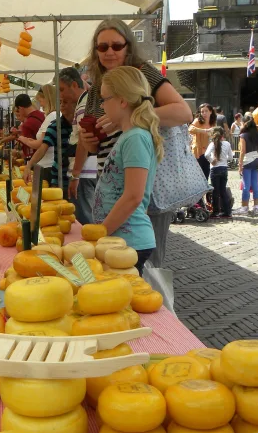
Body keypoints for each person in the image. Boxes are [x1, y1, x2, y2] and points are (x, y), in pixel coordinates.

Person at [72, 18, 192, 268]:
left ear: (128, 46)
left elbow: (183, 112)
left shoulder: (141, 73)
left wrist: (132, 116)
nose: (109, 52)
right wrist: (89, 140)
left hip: (144, 188)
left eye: (116, 45)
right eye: (102, 47)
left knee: (147, 269)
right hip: (112, 180)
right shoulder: (97, 88)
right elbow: (100, 146)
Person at [92, 66, 164, 276]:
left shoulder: (135, 138)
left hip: (128, 242)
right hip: (120, 240)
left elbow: (133, 196)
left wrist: (102, 232)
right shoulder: (128, 136)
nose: (102, 105)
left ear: (122, 100)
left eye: (105, 99)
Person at [59, 66, 96, 225]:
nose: (60, 95)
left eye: (62, 89)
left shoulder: (83, 106)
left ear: (74, 85)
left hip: (84, 172)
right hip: (87, 171)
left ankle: (89, 249)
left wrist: (75, 175)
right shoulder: (85, 102)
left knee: (85, 220)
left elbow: (83, 141)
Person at [23, 90, 76, 198]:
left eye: (65, 102)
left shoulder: (79, 125)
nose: (62, 106)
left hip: (77, 177)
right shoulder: (56, 125)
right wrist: (29, 166)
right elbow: (43, 148)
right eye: (60, 102)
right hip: (59, 178)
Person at [17, 84, 57, 181]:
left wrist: (24, 140)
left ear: (47, 98)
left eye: (41, 101)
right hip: (47, 164)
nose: (41, 105)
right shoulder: (51, 115)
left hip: (47, 166)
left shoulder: (52, 116)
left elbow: (42, 144)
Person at [235, 116, 258, 215]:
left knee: (246, 185)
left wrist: (240, 164)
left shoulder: (243, 135)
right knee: (255, 184)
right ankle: (256, 207)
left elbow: (243, 151)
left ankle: (244, 207)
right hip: (256, 159)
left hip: (247, 160)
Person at [205, 127, 233, 218]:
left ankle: (215, 211)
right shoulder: (227, 144)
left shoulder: (212, 144)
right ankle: (227, 211)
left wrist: (212, 160)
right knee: (223, 190)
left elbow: (206, 154)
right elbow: (231, 157)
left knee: (215, 192)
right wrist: (224, 159)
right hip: (224, 168)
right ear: (222, 134)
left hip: (215, 168)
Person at [189, 103, 217, 183]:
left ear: (210, 112)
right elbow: (190, 129)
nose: (204, 113)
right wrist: (204, 131)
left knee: (206, 174)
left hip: (208, 152)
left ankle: (206, 192)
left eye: (206, 111)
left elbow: (216, 133)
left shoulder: (213, 122)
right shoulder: (198, 120)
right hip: (198, 151)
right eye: (202, 112)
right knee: (198, 175)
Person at [12, 93, 44, 161]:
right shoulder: (41, 115)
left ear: (20, 108)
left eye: (18, 110)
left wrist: (17, 154)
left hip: (37, 161)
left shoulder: (27, 124)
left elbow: (29, 152)